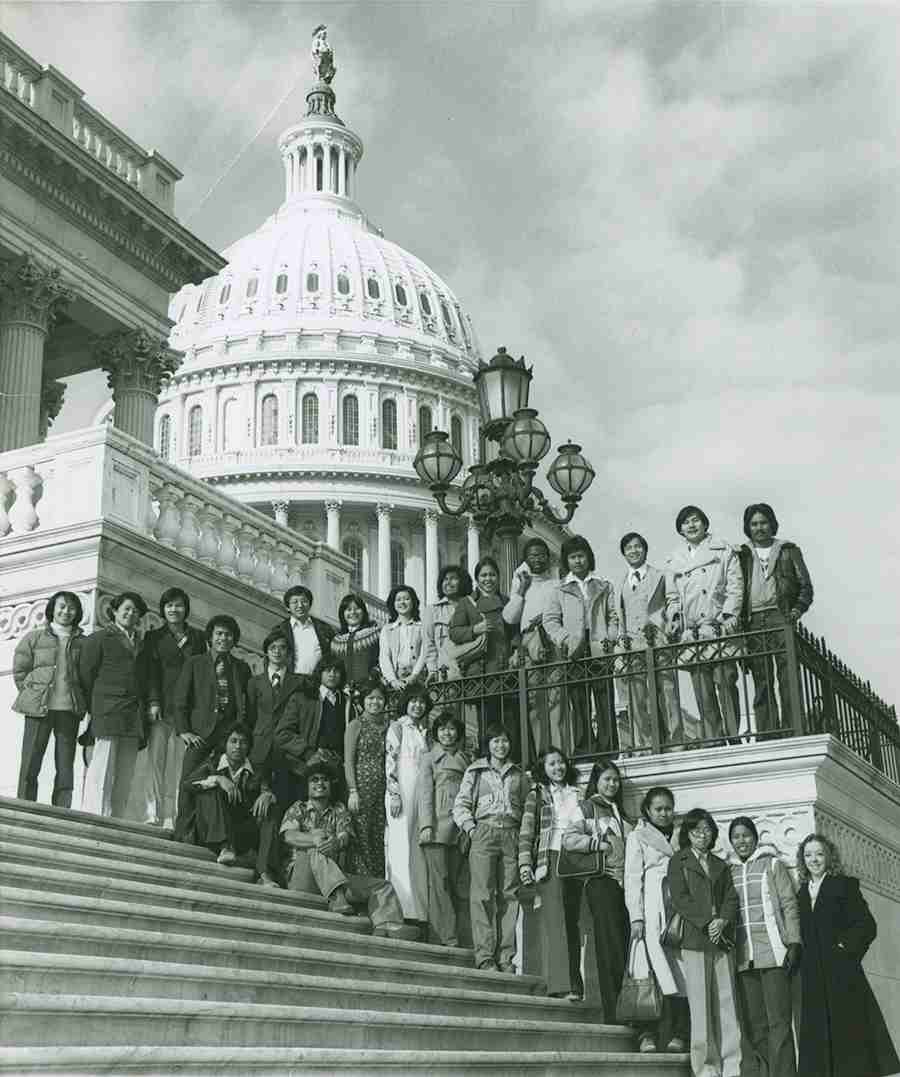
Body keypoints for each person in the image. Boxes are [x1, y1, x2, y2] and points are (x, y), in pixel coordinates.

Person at [279, 750, 418, 939]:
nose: (320, 783)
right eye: (315, 780)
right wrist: (315, 839)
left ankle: (387, 925)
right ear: (307, 786)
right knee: (318, 841)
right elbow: (289, 835)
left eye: (324, 780)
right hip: (304, 879)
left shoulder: (339, 810)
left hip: (337, 877)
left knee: (381, 885)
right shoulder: (299, 808)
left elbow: (345, 836)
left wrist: (336, 842)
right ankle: (336, 895)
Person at [795, 833, 899, 1077]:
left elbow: (867, 925)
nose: (814, 860)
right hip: (813, 973)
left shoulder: (843, 885)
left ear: (829, 856)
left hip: (841, 971)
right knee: (818, 1028)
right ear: (802, 859)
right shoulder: (800, 893)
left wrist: (844, 948)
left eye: (819, 854)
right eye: (808, 855)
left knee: (848, 1027)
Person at [668, 807, 742, 1077]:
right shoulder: (679, 860)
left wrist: (722, 921)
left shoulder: (721, 864)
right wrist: (707, 922)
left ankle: (732, 1066)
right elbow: (680, 898)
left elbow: (731, 898)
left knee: (727, 1004)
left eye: (707, 830)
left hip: (720, 941)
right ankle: (706, 1069)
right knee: (700, 1007)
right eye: (696, 830)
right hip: (695, 940)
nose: (702, 835)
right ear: (688, 833)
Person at [728, 816, 800, 1077]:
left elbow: (789, 904)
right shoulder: (729, 871)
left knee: (779, 1022)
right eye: (736, 836)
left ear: (755, 837)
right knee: (755, 1025)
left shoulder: (772, 864)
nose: (742, 841)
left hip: (773, 954)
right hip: (743, 958)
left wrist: (793, 942)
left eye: (746, 835)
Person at [664, 507, 743, 745]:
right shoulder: (674, 560)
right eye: (685, 522)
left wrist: (729, 616)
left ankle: (733, 734)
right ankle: (713, 738)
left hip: (716, 626)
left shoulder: (723, 550)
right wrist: (675, 617)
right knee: (703, 689)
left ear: (705, 524)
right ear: (680, 529)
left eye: (695, 520)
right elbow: (672, 597)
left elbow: (735, 586)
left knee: (725, 681)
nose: (691, 525)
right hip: (693, 633)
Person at [453, 723, 526, 972]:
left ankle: (506, 956)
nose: (501, 745)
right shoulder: (476, 771)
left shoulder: (518, 774)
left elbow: (527, 809)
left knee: (509, 895)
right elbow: (460, 805)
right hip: (483, 832)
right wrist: (472, 829)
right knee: (482, 895)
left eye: (505, 740)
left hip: (511, 834)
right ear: (488, 744)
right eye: (495, 741)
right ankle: (485, 956)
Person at [563, 759, 631, 1020]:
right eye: (607, 779)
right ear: (597, 782)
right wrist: (596, 844)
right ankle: (614, 1012)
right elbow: (568, 839)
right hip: (601, 882)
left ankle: (630, 1009)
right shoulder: (587, 807)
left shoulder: (620, 812)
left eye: (615, 780)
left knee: (624, 945)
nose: (612, 784)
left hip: (624, 884)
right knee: (608, 946)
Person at [172, 615, 252, 838]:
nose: (223, 638)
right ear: (210, 637)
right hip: (200, 734)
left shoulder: (241, 668)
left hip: (228, 738)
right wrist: (184, 731)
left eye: (228, 635)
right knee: (190, 781)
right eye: (219, 634)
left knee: (224, 787)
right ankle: (183, 833)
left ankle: (214, 836)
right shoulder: (195, 663)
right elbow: (180, 700)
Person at [737, 505, 814, 736]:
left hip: (780, 616)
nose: (759, 528)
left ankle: (793, 729)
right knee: (761, 678)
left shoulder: (788, 550)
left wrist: (796, 611)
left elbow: (806, 587)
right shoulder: (742, 554)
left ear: (771, 523)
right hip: (753, 621)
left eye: (763, 522)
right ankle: (768, 732)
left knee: (788, 675)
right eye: (754, 524)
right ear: (748, 528)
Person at [624, 786, 689, 1054]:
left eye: (668, 808)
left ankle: (680, 1033)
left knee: (680, 970)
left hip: (678, 909)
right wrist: (636, 917)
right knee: (648, 968)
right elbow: (632, 878)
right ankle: (646, 1034)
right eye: (658, 809)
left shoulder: (682, 834)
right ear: (648, 811)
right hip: (651, 908)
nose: (664, 813)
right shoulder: (638, 836)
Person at [518, 745, 585, 1000]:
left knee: (572, 921)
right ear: (543, 769)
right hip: (551, 856)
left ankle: (574, 984)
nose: (558, 768)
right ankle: (560, 985)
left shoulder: (577, 793)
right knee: (555, 921)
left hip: (576, 858)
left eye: (560, 762)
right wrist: (526, 863)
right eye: (551, 764)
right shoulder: (538, 794)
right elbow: (527, 831)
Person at [543, 534, 619, 755]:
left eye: (581, 556)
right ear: (566, 561)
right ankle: (585, 748)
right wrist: (565, 640)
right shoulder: (559, 590)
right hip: (574, 649)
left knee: (604, 698)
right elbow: (550, 620)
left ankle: (609, 747)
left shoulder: (604, 585)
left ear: (589, 558)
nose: (578, 561)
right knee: (579, 700)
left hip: (598, 645)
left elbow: (613, 616)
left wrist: (609, 639)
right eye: (573, 557)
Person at [177, 721, 280, 884]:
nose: (238, 746)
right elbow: (187, 785)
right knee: (211, 790)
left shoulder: (256, 772)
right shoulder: (211, 764)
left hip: (239, 833)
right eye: (233, 741)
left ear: (248, 747)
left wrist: (267, 795)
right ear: (225, 744)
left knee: (270, 809)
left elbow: (266, 788)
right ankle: (225, 847)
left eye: (243, 742)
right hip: (209, 830)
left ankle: (265, 873)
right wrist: (217, 779)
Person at [13, 591, 87, 809]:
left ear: (78, 612)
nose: (66, 611)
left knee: (65, 763)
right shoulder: (34, 637)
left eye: (71, 607)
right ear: (53, 608)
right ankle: (25, 805)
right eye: (62, 606)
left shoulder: (83, 642)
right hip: (39, 708)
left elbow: (87, 676)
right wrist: (32, 693)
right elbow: (20, 671)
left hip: (68, 709)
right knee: (31, 759)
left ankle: (62, 808)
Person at [79, 591, 149, 819]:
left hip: (132, 713)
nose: (131, 613)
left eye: (135, 611)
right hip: (107, 709)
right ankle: (95, 814)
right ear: (115, 611)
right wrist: (95, 706)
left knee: (125, 769)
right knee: (103, 764)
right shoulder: (99, 638)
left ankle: (116, 817)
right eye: (126, 609)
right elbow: (86, 675)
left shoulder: (141, 643)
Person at [142, 587, 207, 826]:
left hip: (187, 711)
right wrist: (153, 701)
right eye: (169, 605)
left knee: (181, 764)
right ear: (163, 609)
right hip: (161, 707)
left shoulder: (198, 638)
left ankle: (175, 814)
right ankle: (153, 811)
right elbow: (150, 673)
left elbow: (201, 675)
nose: (173, 609)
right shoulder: (154, 637)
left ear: (186, 609)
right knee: (156, 761)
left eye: (178, 605)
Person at [616, 533, 683, 751]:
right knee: (637, 699)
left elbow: (673, 600)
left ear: (645, 550)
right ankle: (643, 745)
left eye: (637, 547)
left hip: (657, 640)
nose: (633, 551)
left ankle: (675, 742)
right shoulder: (621, 583)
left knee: (667, 692)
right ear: (624, 553)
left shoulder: (660, 576)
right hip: (632, 646)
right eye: (629, 548)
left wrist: (669, 622)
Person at [503, 538, 564, 755]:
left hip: (552, 643)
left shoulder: (557, 584)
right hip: (530, 645)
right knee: (534, 704)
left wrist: (546, 618)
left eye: (541, 554)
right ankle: (541, 752)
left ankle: (558, 752)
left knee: (555, 701)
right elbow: (510, 618)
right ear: (525, 560)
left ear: (548, 557)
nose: (537, 559)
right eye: (532, 555)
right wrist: (520, 589)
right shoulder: (522, 585)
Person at [449, 556, 515, 752]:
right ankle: (487, 758)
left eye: (492, 574)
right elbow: (454, 632)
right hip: (482, 670)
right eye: (483, 575)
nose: (488, 579)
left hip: (506, 668)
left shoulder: (506, 601)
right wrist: (474, 630)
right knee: (487, 720)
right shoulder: (467, 603)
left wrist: (516, 650)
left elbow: (515, 632)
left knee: (510, 718)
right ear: (477, 579)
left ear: (498, 577)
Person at [418, 709, 471, 947]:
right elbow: (425, 794)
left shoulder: (465, 760)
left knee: (456, 883)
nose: (447, 733)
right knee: (439, 884)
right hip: (437, 827)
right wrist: (426, 825)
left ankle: (455, 934)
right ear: (436, 733)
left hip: (459, 828)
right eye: (442, 729)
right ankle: (446, 937)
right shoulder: (429, 758)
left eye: (451, 729)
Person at [245, 629, 309, 809]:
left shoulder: (299, 682)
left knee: (283, 800)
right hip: (259, 746)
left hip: (286, 750)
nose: (277, 651)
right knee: (254, 801)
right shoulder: (254, 682)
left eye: (282, 648)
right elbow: (249, 716)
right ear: (266, 651)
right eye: (272, 647)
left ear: (288, 653)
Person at [385, 685, 431, 924]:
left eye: (421, 702)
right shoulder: (397, 727)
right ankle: (401, 907)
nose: (417, 706)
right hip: (401, 790)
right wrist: (394, 794)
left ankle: (419, 909)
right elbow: (390, 762)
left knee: (417, 847)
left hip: (419, 793)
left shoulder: (425, 732)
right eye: (413, 701)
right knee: (400, 845)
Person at [274, 655, 349, 800]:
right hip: (303, 768)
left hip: (335, 770)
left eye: (336, 671)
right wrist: (308, 753)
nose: (332, 674)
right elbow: (282, 733)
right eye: (327, 670)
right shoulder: (303, 698)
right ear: (320, 673)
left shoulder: (347, 702)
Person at [344, 677, 391, 877]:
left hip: (385, 789)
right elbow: (349, 760)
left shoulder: (390, 726)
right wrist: (353, 790)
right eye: (370, 698)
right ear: (363, 701)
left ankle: (380, 881)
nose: (375, 702)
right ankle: (364, 882)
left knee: (380, 835)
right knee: (362, 835)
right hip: (362, 788)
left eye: (379, 698)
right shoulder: (356, 725)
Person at [422, 565, 472, 681]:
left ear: (463, 582)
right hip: (445, 673)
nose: (448, 582)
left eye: (453, 578)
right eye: (445, 579)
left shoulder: (472, 606)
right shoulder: (432, 610)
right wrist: (432, 670)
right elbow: (429, 644)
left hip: (470, 672)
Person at [274, 585, 334, 679]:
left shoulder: (324, 629)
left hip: (318, 682)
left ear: (310, 604)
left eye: (304, 601)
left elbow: (333, 658)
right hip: (290, 682)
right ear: (288, 607)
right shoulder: (280, 630)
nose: (300, 605)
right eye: (295, 602)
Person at [379, 585, 426, 692]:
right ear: (393, 604)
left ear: (413, 602)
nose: (402, 602)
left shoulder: (421, 627)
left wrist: (414, 675)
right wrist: (393, 680)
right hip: (397, 678)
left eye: (406, 599)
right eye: (398, 600)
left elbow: (424, 653)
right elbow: (384, 657)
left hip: (418, 677)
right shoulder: (387, 630)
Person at [331, 594, 381, 691]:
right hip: (343, 692)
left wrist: (371, 679)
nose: (353, 612)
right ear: (342, 614)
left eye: (357, 608)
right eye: (348, 610)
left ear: (363, 611)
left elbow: (383, 661)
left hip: (369, 691)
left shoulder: (376, 633)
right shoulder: (336, 641)